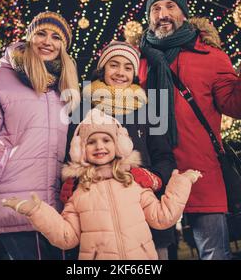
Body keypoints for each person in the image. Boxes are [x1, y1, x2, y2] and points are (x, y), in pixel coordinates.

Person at [138, 0, 241, 259]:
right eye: (156, 8)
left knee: (213, 255)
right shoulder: (138, 60)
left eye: (170, 6)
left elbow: (237, 106)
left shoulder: (210, 57)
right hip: (153, 177)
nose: (162, 14)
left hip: (201, 174)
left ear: (184, 13)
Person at [0, 11, 80, 260]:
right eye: (41, 33)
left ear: (63, 46)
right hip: (16, 193)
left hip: (56, 199)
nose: (47, 41)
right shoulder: (3, 78)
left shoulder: (64, 85)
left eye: (56, 37)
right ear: (29, 37)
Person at [2, 109, 202, 260]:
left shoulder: (134, 184)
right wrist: (36, 212)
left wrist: (182, 183)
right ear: (80, 150)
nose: (99, 146)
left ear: (118, 145)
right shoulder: (79, 193)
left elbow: (162, 218)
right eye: (91, 142)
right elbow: (66, 237)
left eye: (106, 139)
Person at [60, 41, 178, 259]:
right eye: (114, 65)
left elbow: (164, 155)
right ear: (102, 68)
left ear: (134, 73)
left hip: (144, 210)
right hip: (99, 216)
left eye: (127, 67)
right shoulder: (84, 107)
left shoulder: (146, 110)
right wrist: (71, 182)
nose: (120, 72)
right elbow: (72, 154)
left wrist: (154, 178)